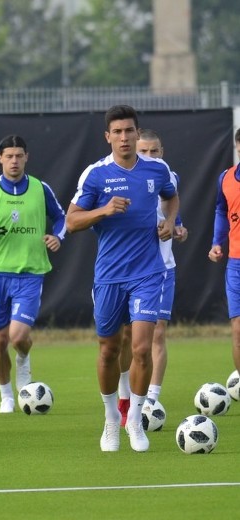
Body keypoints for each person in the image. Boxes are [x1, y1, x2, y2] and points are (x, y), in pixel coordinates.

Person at [66, 105, 178, 453]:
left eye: (130, 131)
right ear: (108, 137)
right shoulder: (95, 175)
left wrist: (170, 222)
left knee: (142, 348)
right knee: (109, 350)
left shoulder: (156, 169)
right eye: (118, 132)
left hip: (148, 273)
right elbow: (71, 221)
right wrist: (103, 210)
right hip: (110, 276)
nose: (125, 137)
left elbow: (171, 197)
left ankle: (135, 418)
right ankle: (111, 418)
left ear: (136, 132)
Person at [0, 135, 66, 413]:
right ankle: (6, 395)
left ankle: (23, 358)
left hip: (30, 273)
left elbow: (61, 218)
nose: (14, 161)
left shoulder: (39, 188)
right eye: (8, 156)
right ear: (0, 158)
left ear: (26, 157)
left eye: (18, 156)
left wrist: (57, 237)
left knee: (18, 336)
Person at [116, 129, 188, 421]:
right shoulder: (122, 178)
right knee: (124, 338)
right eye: (143, 151)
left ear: (162, 152)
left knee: (156, 334)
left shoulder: (167, 178)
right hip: (127, 268)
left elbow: (175, 218)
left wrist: (177, 228)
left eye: (154, 151)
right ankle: (123, 396)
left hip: (162, 270)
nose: (148, 156)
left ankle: (150, 402)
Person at [207, 128, 240, 384]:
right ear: (237, 147)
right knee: (238, 332)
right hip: (235, 265)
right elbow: (221, 210)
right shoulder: (226, 178)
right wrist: (217, 242)